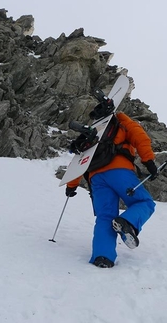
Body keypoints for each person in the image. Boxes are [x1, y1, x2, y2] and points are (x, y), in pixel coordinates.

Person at [65, 111, 158, 269]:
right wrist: (148, 160)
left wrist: (71, 185)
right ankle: (127, 222)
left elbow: (80, 160)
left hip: (96, 179)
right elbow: (139, 135)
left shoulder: (93, 132)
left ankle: (103, 257)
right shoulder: (120, 120)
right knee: (145, 202)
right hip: (119, 171)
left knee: (105, 216)